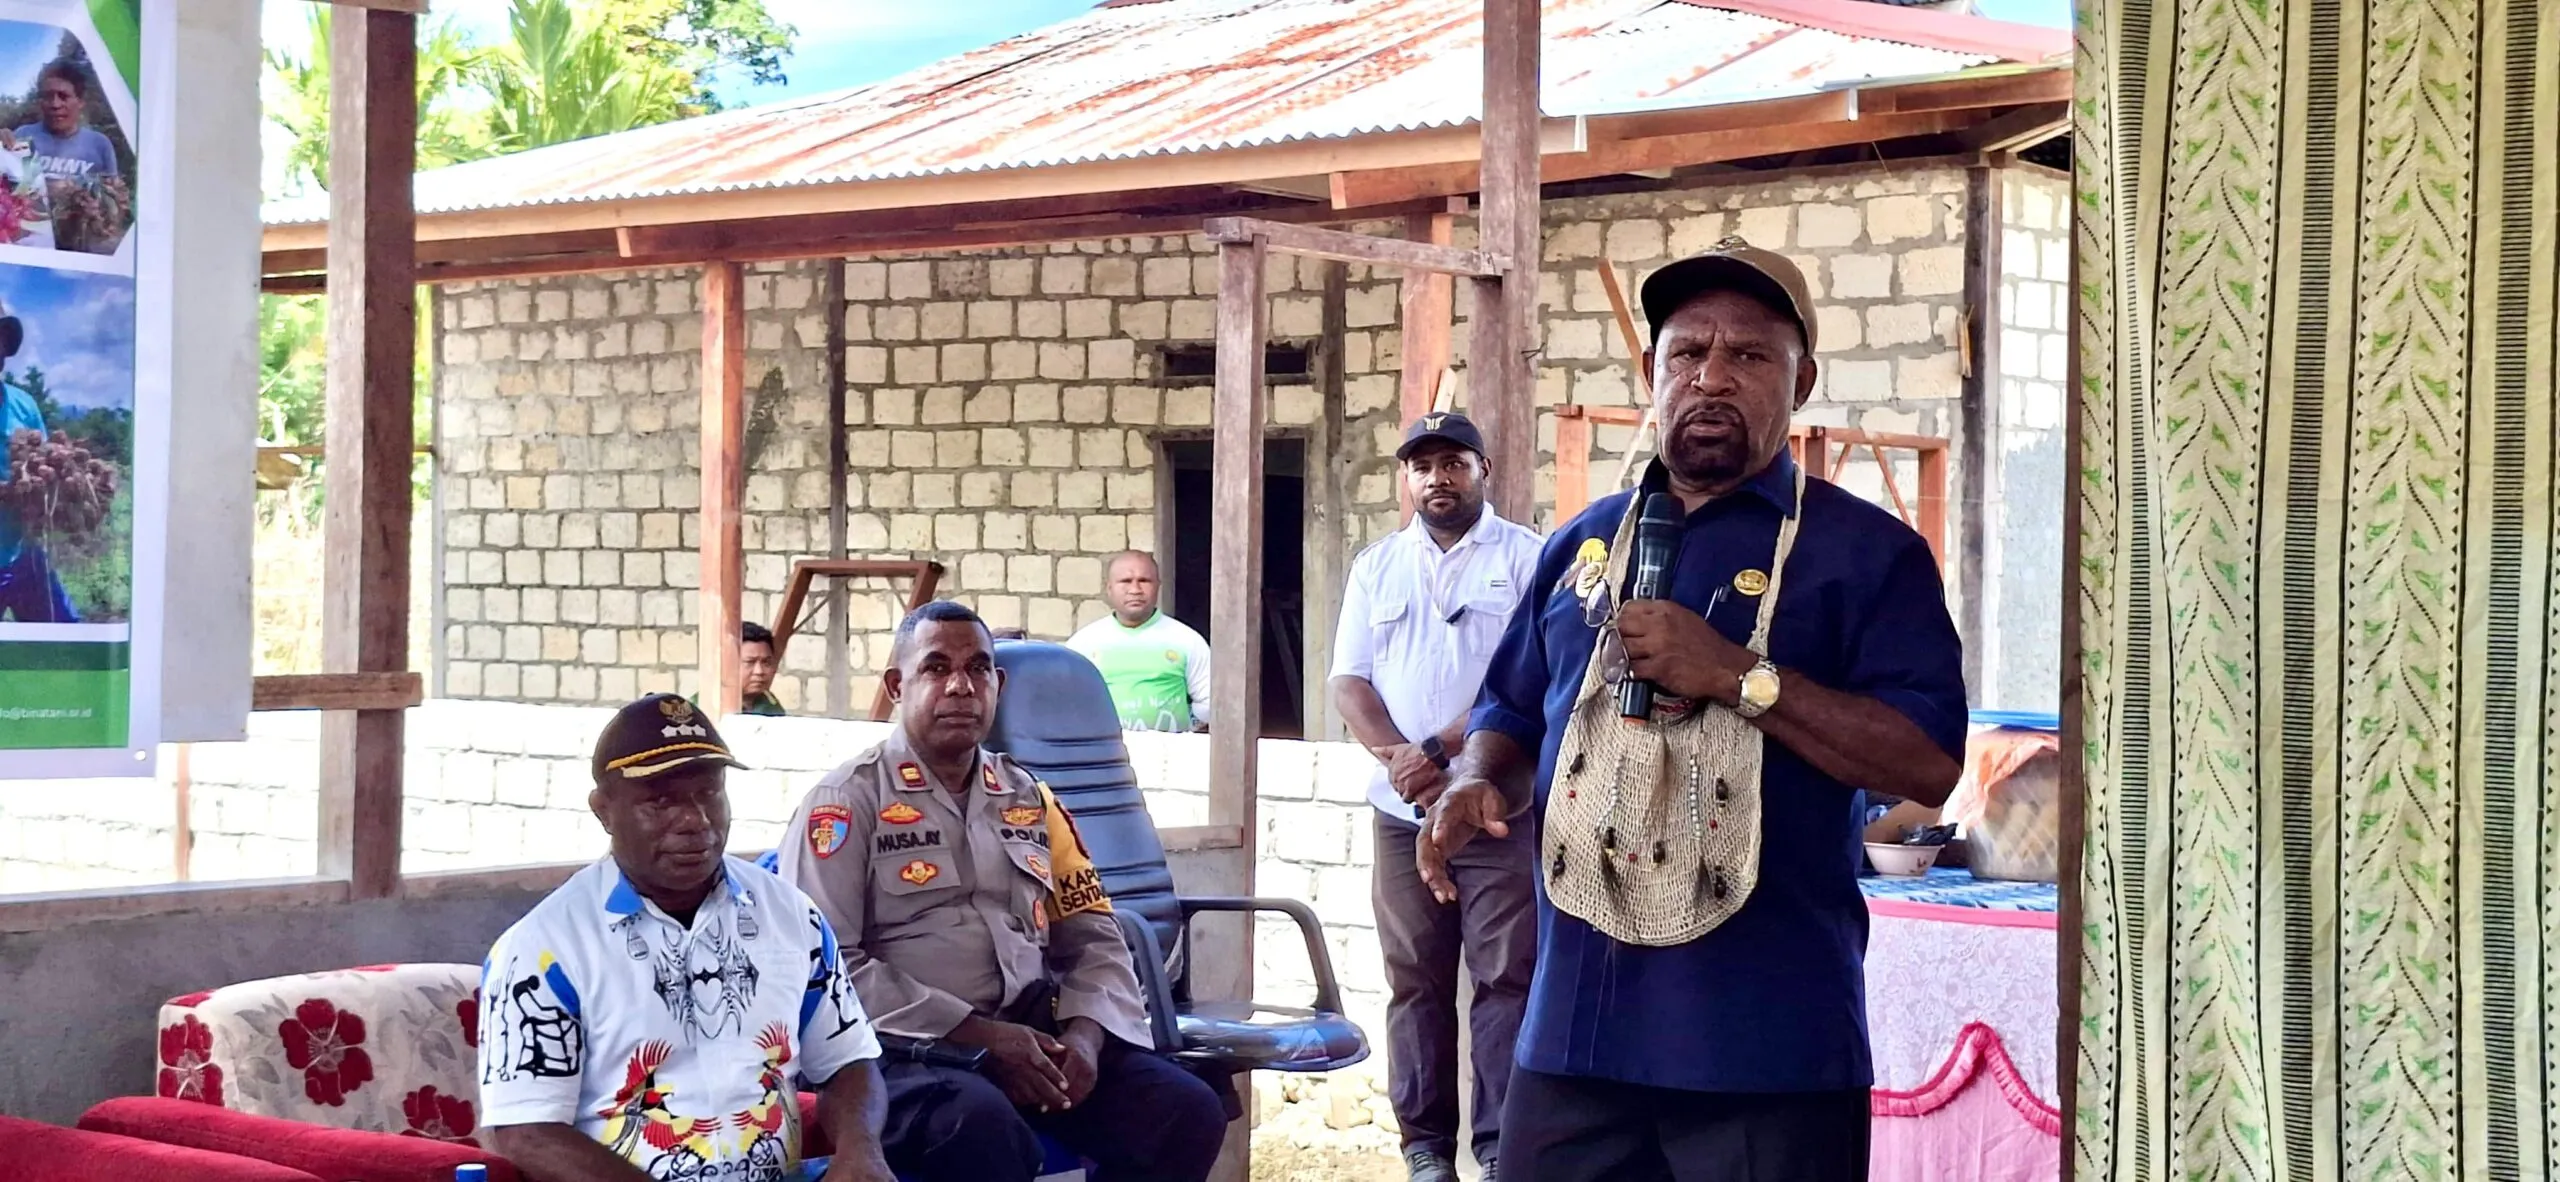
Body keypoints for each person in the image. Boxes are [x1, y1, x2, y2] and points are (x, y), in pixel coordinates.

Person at [1418, 237, 1968, 1182]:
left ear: (1800, 384)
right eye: (1688, 353)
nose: (1713, 377)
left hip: (1764, 1044)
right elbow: (1512, 704)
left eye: (1750, 356)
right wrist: (1474, 778)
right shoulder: (1581, 546)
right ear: (1652, 372)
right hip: (1575, 1038)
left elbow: (1926, 763)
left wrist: (1738, 676)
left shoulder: (1867, 556)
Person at [777, 600, 1228, 1182]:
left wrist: (1086, 1038)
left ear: (999, 683)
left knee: (1185, 1111)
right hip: (898, 1051)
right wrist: (981, 1036)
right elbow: (824, 970)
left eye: (978, 669)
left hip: (1030, 1033)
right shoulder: (846, 801)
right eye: (936, 668)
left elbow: (1094, 933)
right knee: (980, 1130)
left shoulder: (1029, 798)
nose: (960, 686)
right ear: (896, 684)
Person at [475, 693, 896, 1182]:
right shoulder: (544, 950)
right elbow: (524, 1130)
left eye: (708, 794)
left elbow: (850, 1062)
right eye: (660, 800)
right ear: (604, 810)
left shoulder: (790, 916)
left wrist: (861, 1153)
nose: (694, 821)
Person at [1329, 412, 1541, 1182]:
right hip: (1400, 812)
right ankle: (1423, 1149)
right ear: (1406, 479)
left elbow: (1526, 682)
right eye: (1421, 467)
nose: (1436, 479)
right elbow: (1348, 680)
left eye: (1452, 463)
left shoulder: (1527, 558)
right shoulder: (1377, 566)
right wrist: (1397, 761)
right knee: (1413, 979)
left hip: (1495, 807)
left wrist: (1440, 751)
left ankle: (1498, 1150)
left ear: (1483, 469)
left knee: (1505, 975)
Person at [1062, 551, 1211, 732]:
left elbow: (1209, 701)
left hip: (1167, 755)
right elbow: (1066, 702)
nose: (1135, 590)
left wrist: (1185, 728)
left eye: (1144, 581)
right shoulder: (1083, 643)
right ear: (1109, 588)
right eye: (1125, 581)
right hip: (1103, 755)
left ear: (1158, 586)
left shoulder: (1186, 640)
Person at [0, 301, 77, 623]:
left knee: (65, 638)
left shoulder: (23, 403)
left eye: (1, 339)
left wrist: (66, 472)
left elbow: (44, 460)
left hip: (24, 552)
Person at [3, 60, 119, 184]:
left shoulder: (99, 145)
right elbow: (15, 190)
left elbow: (111, 194)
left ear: (80, 101)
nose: (55, 104)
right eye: (48, 96)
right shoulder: (23, 136)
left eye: (63, 96)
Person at [740, 621, 786, 716]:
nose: (759, 671)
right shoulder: (706, 705)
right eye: (750, 662)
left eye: (766, 662)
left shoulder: (771, 706)